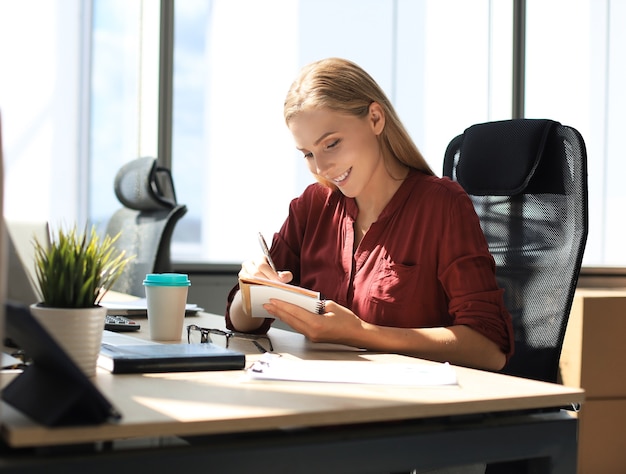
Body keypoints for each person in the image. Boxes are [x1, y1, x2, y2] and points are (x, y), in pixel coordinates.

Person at [226, 57, 513, 371]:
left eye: (331, 144)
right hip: (327, 399)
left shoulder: (441, 205)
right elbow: (240, 321)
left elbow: (489, 349)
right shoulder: (314, 206)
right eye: (308, 154)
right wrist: (251, 290)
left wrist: (363, 334)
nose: (321, 168)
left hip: (413, 408)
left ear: (375, 118)